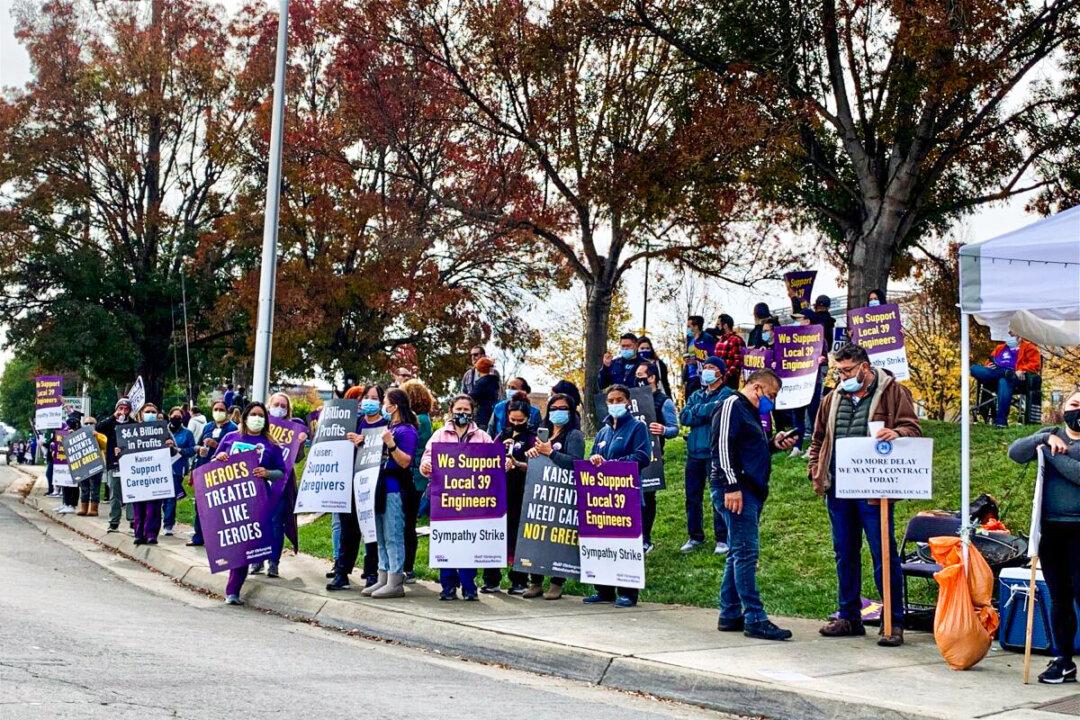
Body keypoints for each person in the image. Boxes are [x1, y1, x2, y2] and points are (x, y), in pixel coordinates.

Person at [808, 343, 921, 647]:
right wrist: (815, 470)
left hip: (875, 489)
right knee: (845, 552)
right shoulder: (832, 399)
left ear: (865, 368)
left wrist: (897, 434)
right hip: (839, 487)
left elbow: (914, 429)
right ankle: (848, 616)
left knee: (883, 554)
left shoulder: (893, 392)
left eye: (847, 370)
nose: (842, 376)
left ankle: (893, 621)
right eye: (839, 370)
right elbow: (818, 439)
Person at [710, 369, 798, 641]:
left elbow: (747, 449)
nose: (771, 401)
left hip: (749, 488)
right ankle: (755, 617)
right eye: (771, 395)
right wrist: (731, 486)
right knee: (747, 554)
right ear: (758, 388)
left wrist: (772, 444)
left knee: (738, 552)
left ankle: (730, 612)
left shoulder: (750, 413)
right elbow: (722, 447)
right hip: (738, 490)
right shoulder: (732, 405)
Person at [1008, 390, 1080, 684]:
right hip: (1051, 530)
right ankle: (1063, 660)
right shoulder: (1049, 435)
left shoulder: (1054, 451)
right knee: (1060, 597)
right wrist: (1041, 440)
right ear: (1064, 408)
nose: (1078, 410)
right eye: (1075, 404)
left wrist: (1050, 456)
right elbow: (1015, 452)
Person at [582, 384, 652, 608]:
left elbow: (642, 456)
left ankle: (628, 592)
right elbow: (594, 455)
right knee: (603, 543)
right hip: (602, 497)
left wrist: (612, 464)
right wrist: (594, 461)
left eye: (618, 399)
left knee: (626, 545)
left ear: (628, 402)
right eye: (610, 400)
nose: (614, 404)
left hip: (628, 494)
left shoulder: (637, 427)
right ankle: (603, 589)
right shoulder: (602, 431)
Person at [420, 394, 495, 601]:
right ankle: (448, 586)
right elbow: (427, 458)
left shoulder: (482, 437)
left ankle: (469, 586)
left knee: (469, 544)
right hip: (445, 499)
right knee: (447, 543)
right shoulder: (439, 435)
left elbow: (493, 463)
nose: (462, 413)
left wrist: (503, 464)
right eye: (459, 409)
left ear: (472, 412)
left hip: (472, 500)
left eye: (466, 410)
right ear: (451, 410)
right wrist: (425, 466)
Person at [213, 401, 286, 605]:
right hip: (231, 497)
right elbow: (212, 463)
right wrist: (219, 457)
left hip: (258, 500)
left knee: (245, 545)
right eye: (253, 414)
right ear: (245, 417)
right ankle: (231, 587)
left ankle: (233, 590)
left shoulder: (271, 444)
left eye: (261, 415)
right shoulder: (230, 438)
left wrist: (267, 473)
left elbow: (281, 472)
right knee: (233, 541)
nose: (257, 418)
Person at [523, 392, 586, 599]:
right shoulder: (542, 433)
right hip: (540, 493)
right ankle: (536, 582)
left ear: (571, 412)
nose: (557, 412)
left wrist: (551, 453)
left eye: (563, 408)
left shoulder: (574, 435)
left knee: (559, 537)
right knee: (537, 536)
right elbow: (537, 461)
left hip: (562, 494)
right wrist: (533, 454)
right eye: (554, 408)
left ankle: (557, 582)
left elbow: (576, 463)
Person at [358, 388, 419, 599]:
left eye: (385, 401)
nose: (383, 405)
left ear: (394, 406)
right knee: (381, 536)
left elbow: (405, 461)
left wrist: (391, 444)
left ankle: (395, 580)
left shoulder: (406, 430)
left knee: (393, 535)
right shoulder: (388, 426)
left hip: (395, 488)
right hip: (379, 487)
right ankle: (383, 577)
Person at [327, 384, 387, 590]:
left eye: (375, 397)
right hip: (352, 484)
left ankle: (371, 574)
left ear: (381, 401)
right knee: (348, 530)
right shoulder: (356, 422)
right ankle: (342, 573)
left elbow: (386, 451)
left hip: (374, 485)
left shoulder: (386, 425)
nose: (370, 401)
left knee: (371, 530)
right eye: (366, 397)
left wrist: (366, 441)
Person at [483, 398, 537, 594]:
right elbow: (486, 459)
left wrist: (517, 463)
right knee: (495, 533)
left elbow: (537, 466)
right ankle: (491, 579)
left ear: (527, 419)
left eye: (520, 420)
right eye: (512, 420)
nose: (515, 424)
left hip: (520, 491)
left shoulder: (532, 437)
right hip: (498, 491)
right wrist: (498, 452)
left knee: (518, 536)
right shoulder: (501, 434)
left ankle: (519, 580)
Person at [679, 357, 731, 554]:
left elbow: (722, 411)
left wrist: (697, 413)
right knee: (692, 497)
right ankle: (695, 537)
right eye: (705, 367)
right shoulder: (696, 395)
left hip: (715, 454)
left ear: (720, 373)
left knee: (718, 496)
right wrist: (707, 410)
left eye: (711, 367)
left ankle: (722, 539)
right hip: (694, 453)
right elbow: (684, 416)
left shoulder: (728, 395)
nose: (706, 370)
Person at [254, 391, 308, 577]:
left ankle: (273, 562)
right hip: (259, 481)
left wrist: (299, 444)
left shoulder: (294, 428)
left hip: (282, 484)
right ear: (269, 405)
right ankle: (257, 559)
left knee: (276, 523)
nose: (279, 408)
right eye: (276, 404)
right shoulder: (260, 425)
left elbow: (297, 459)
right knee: (259, 522)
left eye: (283, 406)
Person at [635, 361, 678, 553]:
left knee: (647, 496)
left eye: (641, 374)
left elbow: (674, 429)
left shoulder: (664, 401)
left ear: (652, 377)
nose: (638, 378)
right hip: (631, 455)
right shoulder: (631, 398)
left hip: (653, 457)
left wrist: (663, 430)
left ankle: (646, 538)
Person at [188, 400, 237, 546]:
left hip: (222, 472)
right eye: (215, 409)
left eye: (221, 409)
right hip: (204, 468)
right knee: (200, 505)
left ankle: (216, 539)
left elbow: (232, 451)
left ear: (227, 412)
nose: (218, 412)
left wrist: (216, 446)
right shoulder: (208, 426)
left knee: (218, 506)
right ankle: (199, 537)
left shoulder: (232, 429)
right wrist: (199, 449)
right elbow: (197, 443)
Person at [400, 379, 435, 582]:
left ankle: (408, 567)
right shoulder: (424, 418)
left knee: (408, 523)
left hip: (414, 476)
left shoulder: (419, 420)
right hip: (415, 477)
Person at [971, 332, 1042, 428]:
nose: (1009, 338)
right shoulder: (1000, 348)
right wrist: (988, 366)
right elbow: (988, 362)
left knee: (1004, 381)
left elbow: (1035, 364)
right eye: (1007, 335)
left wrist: (1022, 370)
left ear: (1019, 336)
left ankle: (1001, 421)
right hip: (996, 374)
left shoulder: (1029, 347)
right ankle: (1005, 373)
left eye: (1012, 335)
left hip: (1016, 378)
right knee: (974, 368)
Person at [130, 403, 169, 545]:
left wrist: (170, 445)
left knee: (154, 507)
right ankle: (139, 534)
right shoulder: (131, 431)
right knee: (138, 507)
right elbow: (125, 449)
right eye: (147, 411)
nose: (150, 414)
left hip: (155, 475)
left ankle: (151, 534)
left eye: (153, 411)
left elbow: (173, 451)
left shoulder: (163, 430)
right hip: (138, 475)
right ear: (141, 414)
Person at [97, 398, 133, 533]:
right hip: (114, 465)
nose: (123, 411)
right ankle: (114, 522)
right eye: (120, 408)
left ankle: (133, 522)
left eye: (126, 409)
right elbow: (98, 428)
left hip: (130, 465)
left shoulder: (133, 424)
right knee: (114, 495)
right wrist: (114, 416)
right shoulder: (110, 424)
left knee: (131, 495)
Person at [161, 406, 195, 536]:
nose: (176, 419)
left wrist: (179, 450)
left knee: (171, 497)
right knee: (163, 497)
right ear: (169, 417)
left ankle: (168, 524)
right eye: (174, 417)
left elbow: (192, 451)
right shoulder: (162, 431)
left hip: (177, 469)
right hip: (161, 468)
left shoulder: (187, 433)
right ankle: (164, 518)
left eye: (179, 418)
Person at [75, 417, 108, 517]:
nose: (89, 425)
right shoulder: (79, 436)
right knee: (84, 487)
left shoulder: (100, 435)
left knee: (94, 487)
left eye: (91, 423)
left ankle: (94, 509)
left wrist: (96, 436)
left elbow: (105, 444)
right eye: (86, 423)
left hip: (96, 464)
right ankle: (83, 508)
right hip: (83, 465)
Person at [710, 314, 746, 390]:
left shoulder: (736, 339)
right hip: (717, 379)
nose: (717, 326)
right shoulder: (720, 340)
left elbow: (738, 361)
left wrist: (726, 375)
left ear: (725, 325)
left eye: (718, 324)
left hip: (729, 381)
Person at [684, 315, 717, 396]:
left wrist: (694, 361)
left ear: (696, 327)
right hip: (689, 376)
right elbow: (687, 354)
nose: (687, 329)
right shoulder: (690, 339)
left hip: (700, 377)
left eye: (689, 326)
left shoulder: (706, 338)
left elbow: (711, 358)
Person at [469, 357, 500, 429]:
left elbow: (472, 397)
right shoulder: (494, 381)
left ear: (478, 369)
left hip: (483, 415)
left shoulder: (481, 382)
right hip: (492, 413)